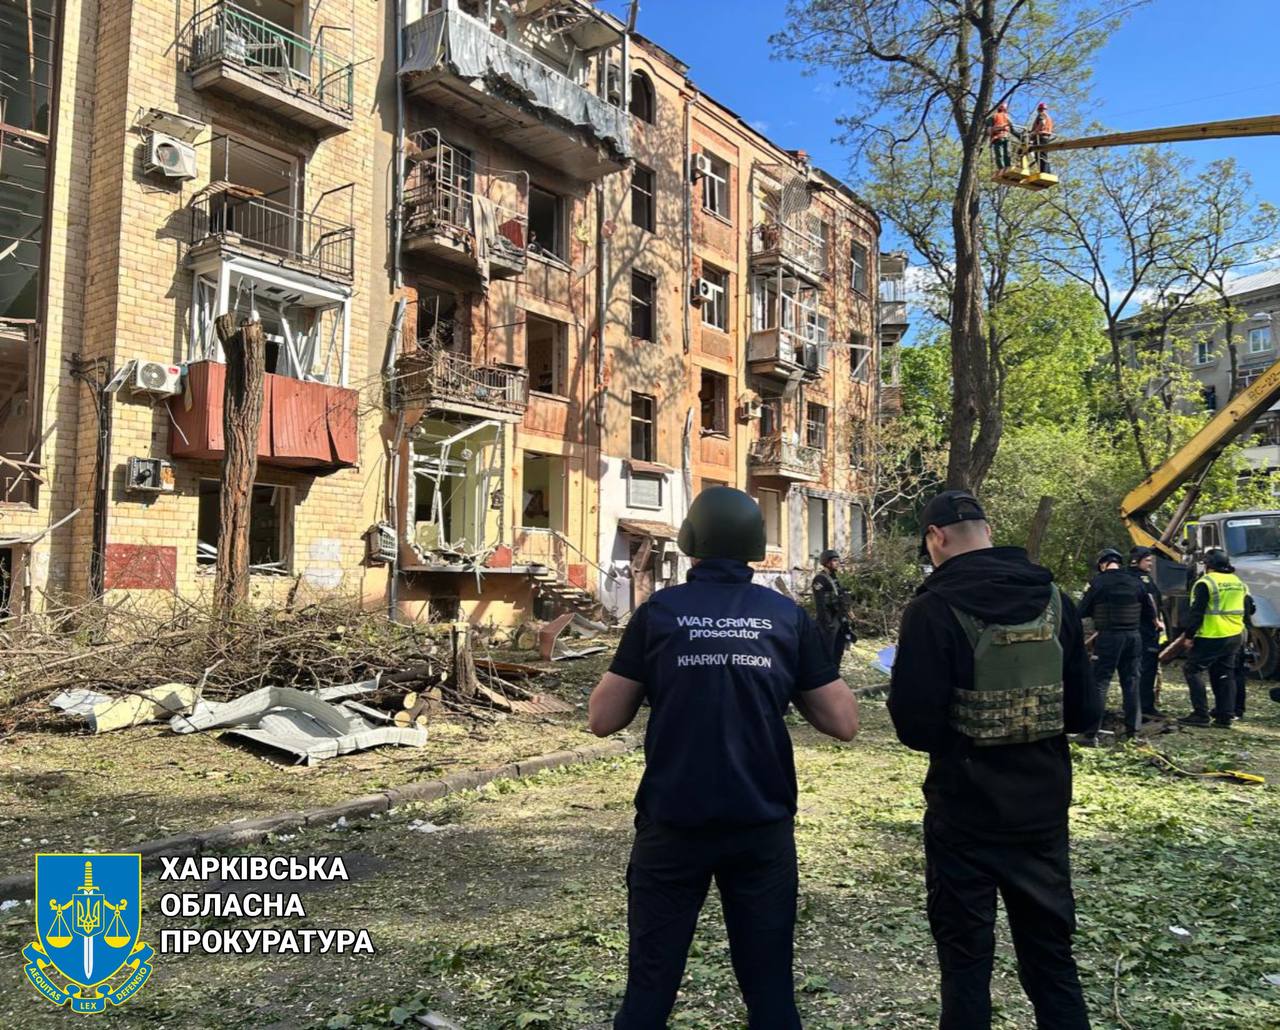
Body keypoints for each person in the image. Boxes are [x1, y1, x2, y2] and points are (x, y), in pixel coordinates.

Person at [588, 486, 859, 1029]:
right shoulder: (785, 617)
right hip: (760, 826)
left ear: (690, 543)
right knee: (771, 994)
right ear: (755, 546)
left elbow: (603, 718)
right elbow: (844, 722)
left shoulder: (659, 613)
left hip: (673, 825)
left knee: (648, 992)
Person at [888, 490, 1099, 1030]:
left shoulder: (931, 610)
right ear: (988, 530)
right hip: (1041, 811)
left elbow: (915, 728)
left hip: (964, 813)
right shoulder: (1055, 600)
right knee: (1052, 960)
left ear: (935, 537)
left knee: (965, 964)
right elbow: (1084, 713)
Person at [1077, 548, 1149, 743]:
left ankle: (1091, 733)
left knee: (1100, 683)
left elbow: (1081, 610)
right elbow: (1149, 612)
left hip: (1109, 637)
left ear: (1102, 565)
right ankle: (1133, 732)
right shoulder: (1136, 582)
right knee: (1131, 682)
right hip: (1133, 638)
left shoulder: (1098, 582)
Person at [1179, 548, 1254, 729]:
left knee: (1192, 670)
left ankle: (1200, 714)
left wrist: (1188, 636)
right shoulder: (1238, 582)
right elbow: (1250, 609)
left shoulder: (1206, 583)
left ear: (1208, 566)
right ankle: (1225, 715)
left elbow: (1196, 613)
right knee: (1225, 673)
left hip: (1211, 635)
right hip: (1234, 635)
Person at [1127, 546, 1167, 720]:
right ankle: (1145, 706)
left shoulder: (1128, 577)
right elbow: (1151, 603)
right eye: (1147, 561)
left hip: (1134, 630)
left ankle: (1136, 705)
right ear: (1136, 561)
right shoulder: (1143, 580)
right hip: (1145, 631)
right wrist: (1156, 622)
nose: (1150, 564)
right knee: (1146, 669)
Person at [812, 548, 856, 672]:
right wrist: (827, 624)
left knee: (838, 649)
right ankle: (826, 675)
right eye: (835, 560)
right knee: (828, 651)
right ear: (827, 562)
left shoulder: (834, 578)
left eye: (838, 560)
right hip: (829, 621)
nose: (837, 563)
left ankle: (835, 673)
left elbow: (841, 598)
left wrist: (848, 611)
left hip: (839, 619)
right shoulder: (820, 579)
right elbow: (820, 604)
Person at [987, 101, 1014, 170]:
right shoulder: (993, 117)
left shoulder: (1007, 117)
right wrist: (1001, 128)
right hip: (997, 138)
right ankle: (1001, 169)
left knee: (1007, 153)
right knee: (999, 155)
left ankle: (1008, 168)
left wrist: (1022, 137)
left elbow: (1013, 130)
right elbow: (989, 130)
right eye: (1004, 107)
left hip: (1006, 137)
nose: (1005, 109)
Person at [1030, 102, 1055, 172]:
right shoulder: (1048, 117)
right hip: (1046, 138)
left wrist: (1035, 132)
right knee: (1044, 156)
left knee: (1039, 156)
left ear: (1039, 109)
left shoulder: (1041, 115)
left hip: (1040, 137)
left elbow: (1042, 122)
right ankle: (1047, 172)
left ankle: (1043, 172)